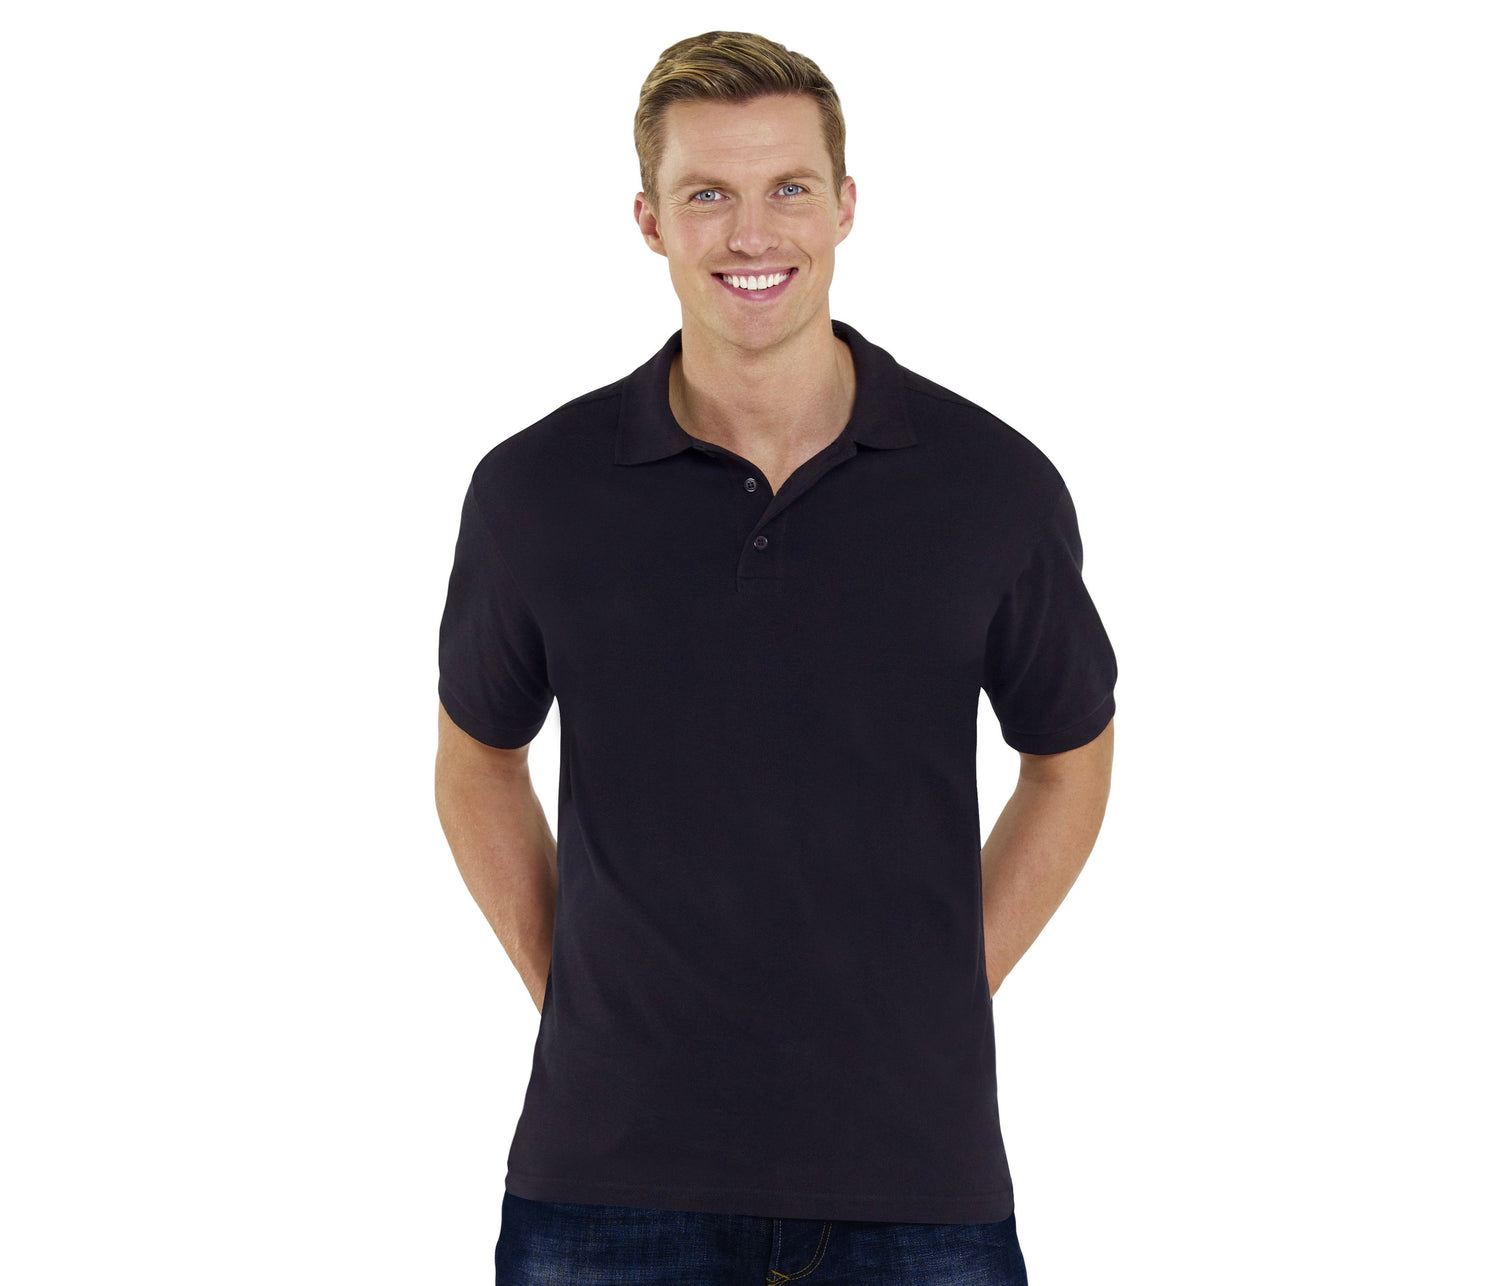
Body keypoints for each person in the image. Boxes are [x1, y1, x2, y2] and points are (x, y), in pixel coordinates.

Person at [435, 29, 1116, 1285]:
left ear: (846, 204)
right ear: (649, 220)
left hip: (915, 1185)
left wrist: (944, 989)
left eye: (788, 187)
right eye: (708, 194)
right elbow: (478, 756)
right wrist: (567, 985)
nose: (753, 233)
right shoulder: (535, 489)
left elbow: (1069, 756)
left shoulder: (991, 486)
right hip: (606, 1185)